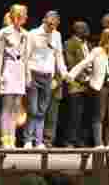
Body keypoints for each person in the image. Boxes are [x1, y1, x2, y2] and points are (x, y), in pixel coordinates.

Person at [68, 27, 109, 148]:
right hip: (100, 87)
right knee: (99, 115)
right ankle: (99, 143)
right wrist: (71, 75)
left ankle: (108, 143)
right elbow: (83, 63)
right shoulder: (98, 51)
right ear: (108, 38)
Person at [25, 11, 69, 148]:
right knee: (32, 109)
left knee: (42, 110)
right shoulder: (33, 34)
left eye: (54, 25)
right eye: (50, 24)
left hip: (48, 75)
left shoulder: (57, 35)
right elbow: (26, 55)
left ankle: (38, 141)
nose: (52, 27)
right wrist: (26, 76)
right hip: (34, 73)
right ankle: (28, 140)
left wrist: (64, 72)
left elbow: (59, 56)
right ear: (44, 20)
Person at [0, 4, 29, 148]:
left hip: (20, 68)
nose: (24, 17)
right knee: (7, 106)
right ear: (15, 15)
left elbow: (26, 56)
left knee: (16, 106)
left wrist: (27, 74)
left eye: (25, 15)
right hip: (8, 68)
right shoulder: (4, 32)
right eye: (22, 14)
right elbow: (0, 53)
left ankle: (13, 138)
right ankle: (5, 140)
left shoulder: (26, 34)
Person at [62, 21, 90, 147]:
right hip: (75, 86)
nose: (87, 30)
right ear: (77, 30)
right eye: (84, 28)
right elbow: (70, 64)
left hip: (89, 86)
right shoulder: (69, 44)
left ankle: (80, 140)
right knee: (74, 115)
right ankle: (69, 141)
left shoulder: (88, 45)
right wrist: (83, 78)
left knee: (85, 115)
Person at [42, 12, 66, 148]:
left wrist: (58, 79)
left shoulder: (57, 36)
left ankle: (48, 140)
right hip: (40, 78)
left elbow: (59, 59)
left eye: (56, 21)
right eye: (51, 21)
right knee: (39, 111)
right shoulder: (37, 34)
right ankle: (36, 139)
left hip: (55, 81)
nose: (53, 24)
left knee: (52, 114)